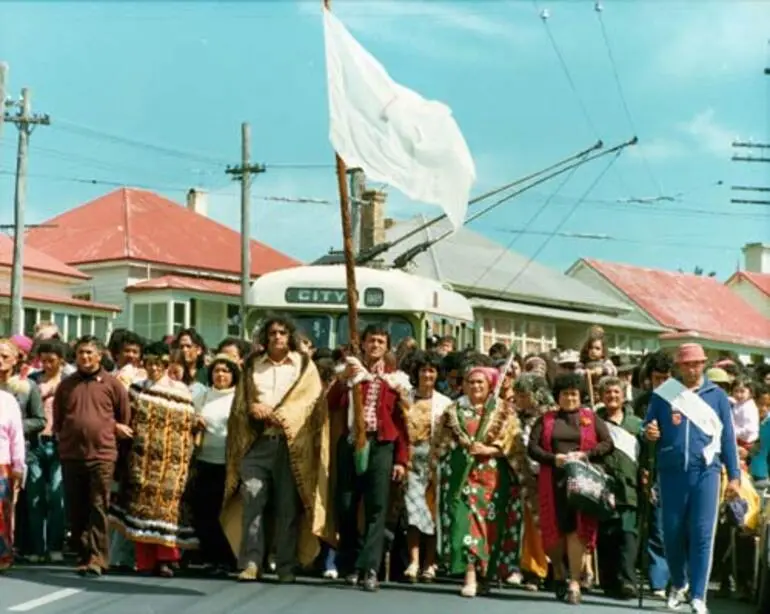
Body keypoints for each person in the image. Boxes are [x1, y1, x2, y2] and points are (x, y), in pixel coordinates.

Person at [644, 343, 740, 614]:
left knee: (702, 534)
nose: (692, 368)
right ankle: (679, 583)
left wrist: (733, 476)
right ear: (679, 366)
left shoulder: (717, 396)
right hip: (671, 472)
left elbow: (728, 439)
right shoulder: (665, 393)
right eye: (687, 364)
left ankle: (698, 595)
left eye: (697, 363)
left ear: (704, 364)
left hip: (706, 472)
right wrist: (649, 431)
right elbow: (648, 425)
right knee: (671, 533)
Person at [53, 335, 131, 576]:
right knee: (76, 508)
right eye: (80, 353)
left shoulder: (112, 384)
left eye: (89, 353)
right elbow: (58, 420)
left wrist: (109, 433)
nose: (84, 357)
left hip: (102, 455)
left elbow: (124, 417)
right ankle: (84, 553)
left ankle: (98, 558)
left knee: (98, 505)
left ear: (99, 356)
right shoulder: (66, 385)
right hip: (72, 455)